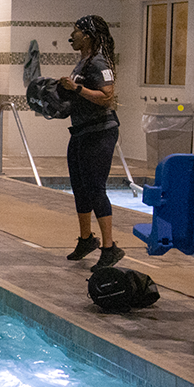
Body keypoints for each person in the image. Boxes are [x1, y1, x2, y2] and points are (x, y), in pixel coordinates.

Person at [59, 15, 123, 271]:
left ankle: (109, 247)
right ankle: (86, 239)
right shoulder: (83, 62)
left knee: (95, 187)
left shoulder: (99, 62)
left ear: (87, 35)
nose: (71, 36)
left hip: (99, 133)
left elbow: (107, 97)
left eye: (75, 31)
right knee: (79, 186)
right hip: (81, 132)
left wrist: (77, 90)